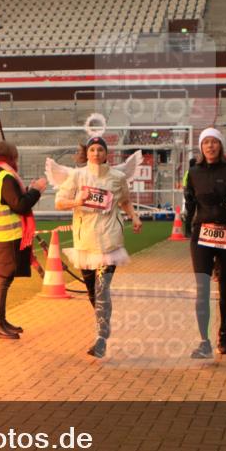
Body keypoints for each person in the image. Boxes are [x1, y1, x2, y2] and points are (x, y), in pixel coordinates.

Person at [55, 136, 142, 358]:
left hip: (109, 242)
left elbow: (125, 200)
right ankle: (104, 324)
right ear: (87, 153)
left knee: (102, 291)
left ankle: (101, 338)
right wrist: (78, 201)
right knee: (93, 292)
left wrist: (134, 216)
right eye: (92, 149)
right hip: (85, 243)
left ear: (106, 153)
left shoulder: (117, 177)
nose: (96, 153)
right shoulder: (77, 176)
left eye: (100, 149)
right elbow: (59, 202)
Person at [184, 128, 226, 358]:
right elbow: (190, 200)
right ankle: (204, 341)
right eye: (206, 143)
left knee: (225, 287)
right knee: (202, 289)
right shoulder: (193, 172)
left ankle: (223, 333)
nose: (210, 146)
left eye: (214, 142)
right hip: (202, 234)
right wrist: (187, 223)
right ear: (201, 147)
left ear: (220, 146)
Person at [0, 141, 47, 340]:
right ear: (11, 158)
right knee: (3, 279)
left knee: (4, 279)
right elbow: (20, 205)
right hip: (8, 235)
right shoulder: (4, 177)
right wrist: (36, 190)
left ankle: (1, 321)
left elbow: (7, 200)